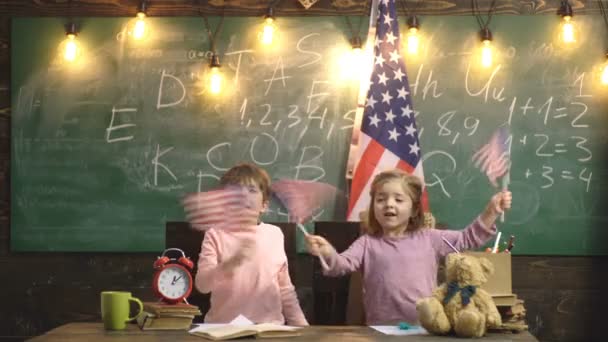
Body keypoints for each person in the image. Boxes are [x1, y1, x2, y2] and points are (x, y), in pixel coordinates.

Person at [305, 169, 512, 325]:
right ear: (373, 207)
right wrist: (327, 251)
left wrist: (491, 211)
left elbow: (467, 239)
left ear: (413, 209)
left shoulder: (430, 238)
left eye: (398, 199)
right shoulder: (367, 243)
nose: (389, 204)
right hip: (381, 330)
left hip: (425, 329)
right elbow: (341, 265)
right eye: (381, 199)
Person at [194, 163, 308, 325]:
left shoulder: (274, 234)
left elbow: (285, 290)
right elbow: (203, 285)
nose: (243, 195)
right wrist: (230, 264)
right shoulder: (215, 235)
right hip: (223, 328)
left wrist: (303, 328)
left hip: (269, 328)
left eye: (252, 190)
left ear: (264, 205)